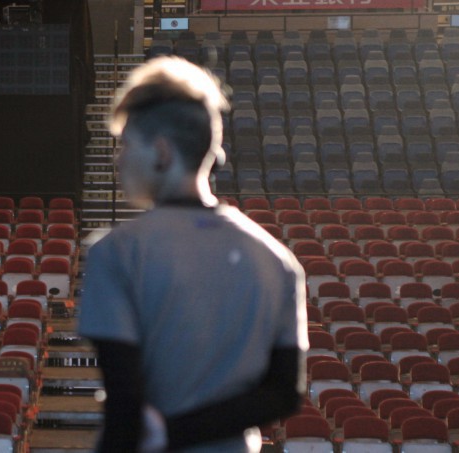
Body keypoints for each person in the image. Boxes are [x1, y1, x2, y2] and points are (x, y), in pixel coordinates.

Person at [77, 56, 308, 453]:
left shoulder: (117, 252)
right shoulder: (277, 259)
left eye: (126, 144)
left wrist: (162, 435)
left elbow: (125, 411)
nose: (119, 159)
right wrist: (180, 430)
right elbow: (285, 394)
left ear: (162, 152)